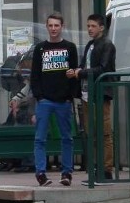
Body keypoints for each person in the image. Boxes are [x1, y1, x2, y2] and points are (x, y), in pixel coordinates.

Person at [30, 12, 80, 187]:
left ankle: (66, 172)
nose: (53, 29)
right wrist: (39, 96)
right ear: (46, 27)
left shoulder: (70, 48)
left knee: (67, 137)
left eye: (56, 25)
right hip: (45, 101)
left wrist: (69, 97)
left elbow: (75, 73)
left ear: (62, 27)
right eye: (50, 25)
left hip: (63, 101)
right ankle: (41, 173)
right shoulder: (40, 49)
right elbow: (34, 75)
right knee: (40, 138)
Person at [67, 13, 116, 182]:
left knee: (104, 133)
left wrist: (81, 73)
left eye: (93, 26)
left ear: (101, 27)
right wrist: (76, 71)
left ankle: (106, 169)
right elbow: (85, 65)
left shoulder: (107, 45)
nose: (89, 29)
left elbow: (102, 68)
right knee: (91, 132)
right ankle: (96, 168)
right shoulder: (90, 45)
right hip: (87, 93)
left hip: (100, 94)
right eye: (88, 26)